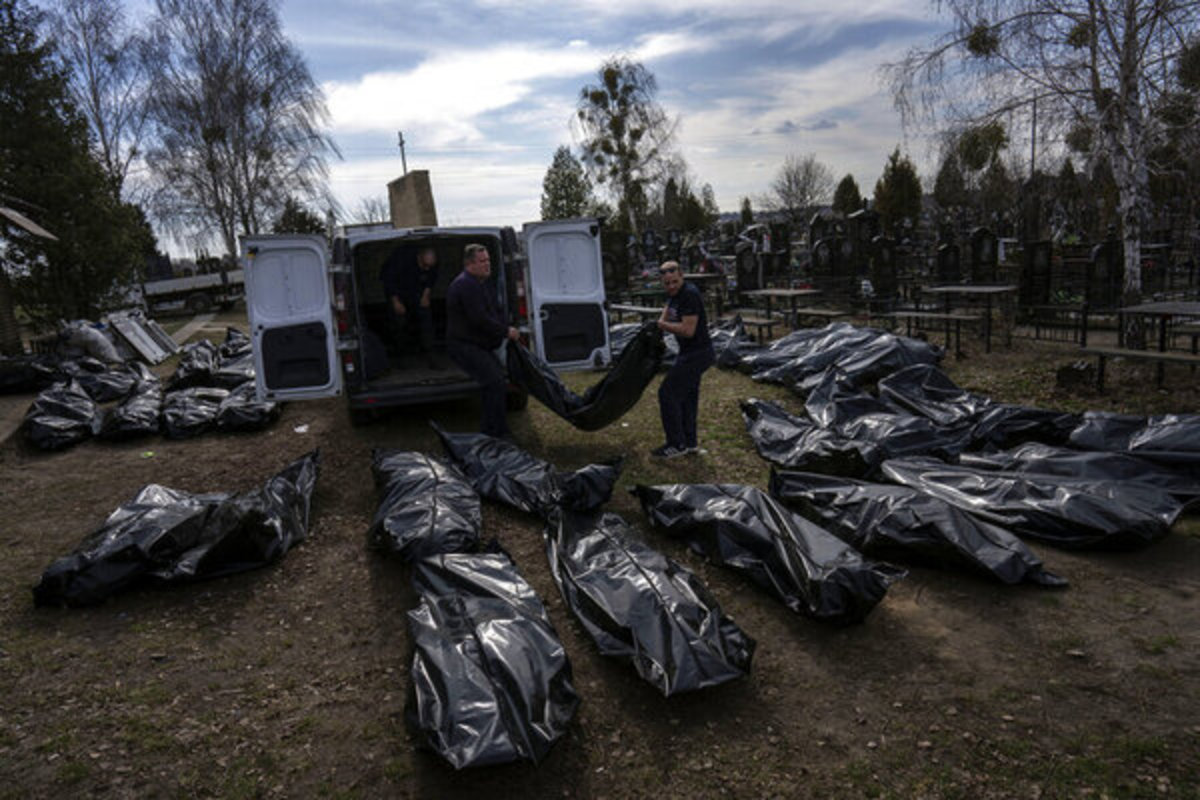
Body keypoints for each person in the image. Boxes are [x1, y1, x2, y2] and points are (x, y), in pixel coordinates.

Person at [445, 243, 520, 439]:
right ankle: (495, 433)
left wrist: (506, 327)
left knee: (494, 383)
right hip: (463, 346)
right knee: (494, 382)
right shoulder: (465, 285)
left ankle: (493, 430)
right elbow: (479, 319)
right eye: (482, 261)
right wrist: (505, 331)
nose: (488, 265)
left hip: (477, 344)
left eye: (488, 260)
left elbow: (494, 311)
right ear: (470, 264)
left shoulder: (480, 283)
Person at [652, 260, 714, 458]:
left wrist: (662, 326)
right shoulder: (675, 295)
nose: (671, 286)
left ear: (682, 277)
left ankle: (676, 444)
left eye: (674, 282)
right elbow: (668, 310)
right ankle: (689, 442)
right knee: (688, 397)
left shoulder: (689, 295)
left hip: (698, 354)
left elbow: (688, 330)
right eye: (666, 283)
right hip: (689, 353)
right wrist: (662, 320)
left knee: (667, 393)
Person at [381, 246, 439, 367]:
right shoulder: (401, 262)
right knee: (399, 325)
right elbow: (388, 281)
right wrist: (396, 302)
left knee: (426, 322)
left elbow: (432, 278)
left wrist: (426, 295)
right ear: (420, 257)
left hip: (417, 293)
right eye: (425, 265)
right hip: (398, 293)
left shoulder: (432, 265)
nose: (427, 268)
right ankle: (401, 358)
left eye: (430, 266)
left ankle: (431, 356)